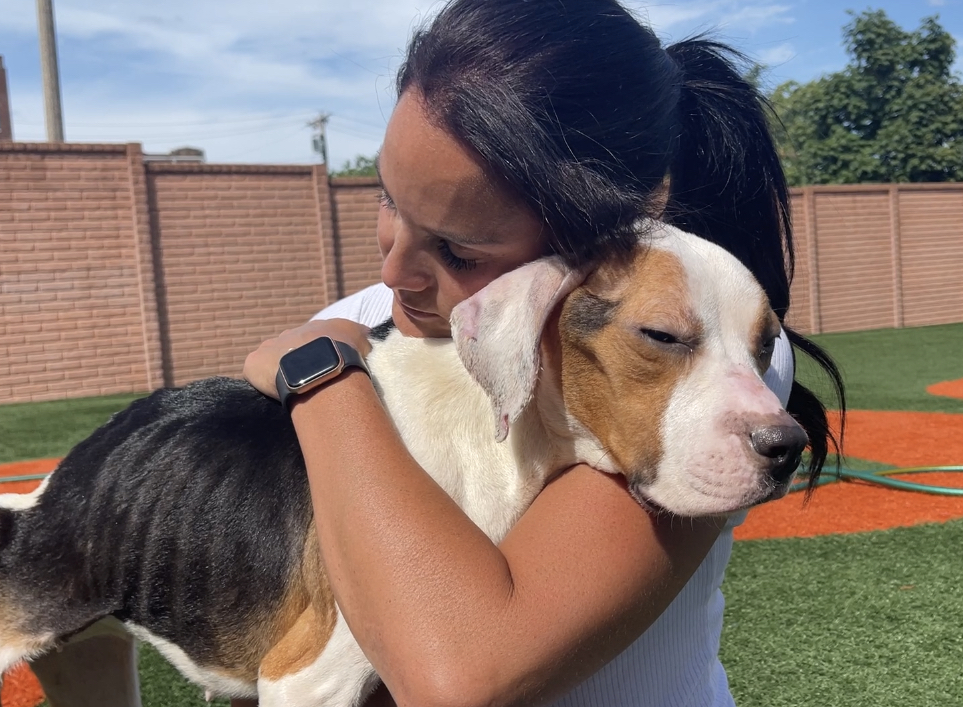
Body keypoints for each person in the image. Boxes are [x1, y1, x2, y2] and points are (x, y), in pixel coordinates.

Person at [236, 2, 844, 706]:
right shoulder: (353, 320)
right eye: (390, 200)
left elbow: (461, 673)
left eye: (460, 249)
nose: (395, 272)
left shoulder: (705, 365)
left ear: (630, 220)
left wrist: (321, 381)